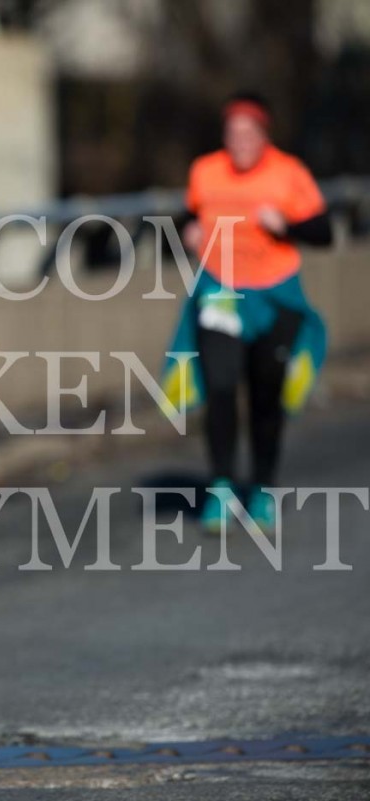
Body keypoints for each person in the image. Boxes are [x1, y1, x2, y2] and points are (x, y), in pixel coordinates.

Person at [160, 93, 333, 534]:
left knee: (265, 393)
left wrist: (286, 226)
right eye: (232, 133)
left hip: (275, 294)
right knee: (220, 386)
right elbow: (184, 219)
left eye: (248, 133)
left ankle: (262, 488)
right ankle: (221, 486)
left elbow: (324, 231)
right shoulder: (206, 171)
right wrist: (187, 231)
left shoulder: (289, 173)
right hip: (220, 291)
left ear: (263, 136)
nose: (239, 141)